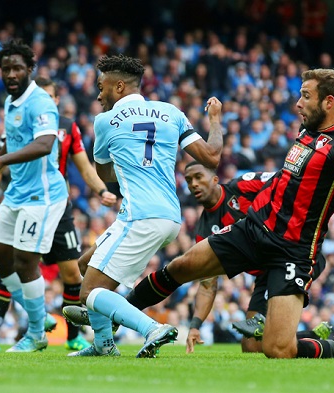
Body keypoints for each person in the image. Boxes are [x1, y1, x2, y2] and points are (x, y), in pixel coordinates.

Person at [91, 68, 334, 359]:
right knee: (180, 267)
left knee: (277, 349)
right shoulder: (307, 132)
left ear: (329, 102)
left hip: (292, 250)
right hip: (252, 230)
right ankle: (113, 318)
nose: (298, 104)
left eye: (305, 96)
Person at [67, 55, 224, 358]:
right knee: (85, 264)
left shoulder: (104, 121)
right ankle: (103, 345)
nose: (99, 95)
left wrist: (130, 164)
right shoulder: (171, 112)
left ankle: (152, 328)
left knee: (88, 293)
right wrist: (215, 120)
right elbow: (212, 156)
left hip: (140, 214)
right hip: (169, 216)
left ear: (120, 86)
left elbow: (103, 173)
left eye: (102, 88)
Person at [0, 76, 117, 352]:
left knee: (71, 273)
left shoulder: (68, 128)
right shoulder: (19, 120)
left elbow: (84, 166)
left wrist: (101, 190)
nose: (46, 101)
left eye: (51, 96)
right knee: (14, 262)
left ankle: (71, 336)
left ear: (57, 100)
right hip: (26, 202)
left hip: (58, 207)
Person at [0, 40, 68, 352]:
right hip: (17, 193)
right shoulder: (11, 102)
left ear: (29, 70)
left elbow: (44, 144)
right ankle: (40, 316)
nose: (11, 73)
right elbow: (11, 141)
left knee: (25, 261)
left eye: (17, 68)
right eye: (6, 68)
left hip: (43, 196)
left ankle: (36, 333)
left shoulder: (40, 103)